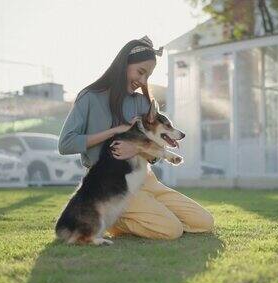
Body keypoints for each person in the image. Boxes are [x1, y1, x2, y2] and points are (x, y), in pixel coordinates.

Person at [58, 36, 214, 240]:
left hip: (146, 180)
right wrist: (112, 132)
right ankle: (114, 218)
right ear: (124, 65)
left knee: (204, 222)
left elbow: (154, 154)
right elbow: (66, 144)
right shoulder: (89, 97)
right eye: (141, 72)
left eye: (147, 76)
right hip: (111, 184)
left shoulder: (141, 103)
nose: (142, 81)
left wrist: (137, 149)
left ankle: (145, 215)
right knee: (171, 230)